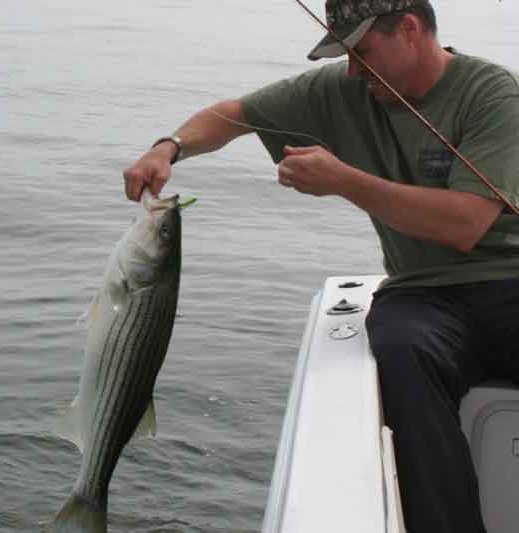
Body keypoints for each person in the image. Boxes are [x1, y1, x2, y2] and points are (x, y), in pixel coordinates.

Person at [123, 1, 519, 532]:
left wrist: (345, 180)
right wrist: (169, 147)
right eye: (346, 54)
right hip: (423, 295)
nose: (353, 69)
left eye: (363, 52)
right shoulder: (341, 90)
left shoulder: (493, 94)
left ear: (409, 28)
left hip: (508, 283)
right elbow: (232, 115)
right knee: (399, 350)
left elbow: (465, 225)